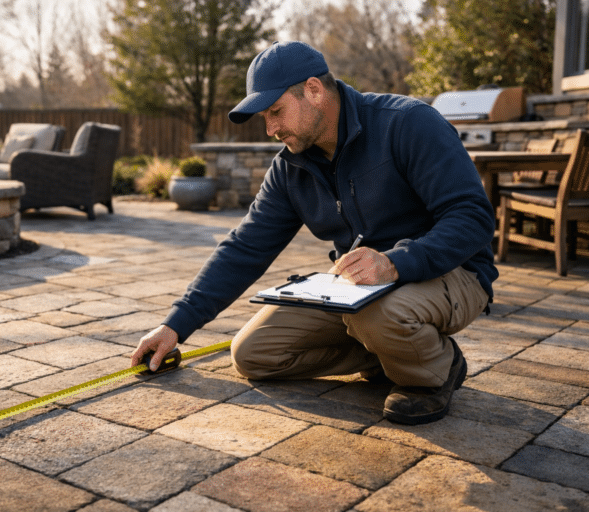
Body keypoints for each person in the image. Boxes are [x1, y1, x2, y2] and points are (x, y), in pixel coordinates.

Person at [131, 41, 498, 425]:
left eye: (276, 111)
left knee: (376, 316)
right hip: (359, 290)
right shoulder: (291, 167)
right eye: (264, 117)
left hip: (453, 272)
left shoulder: (407, 123)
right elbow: (246, 246)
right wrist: (176, 324)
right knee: (253, 354)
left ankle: (435, 369)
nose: (271, 129)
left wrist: (394, 262)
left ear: (314, 90)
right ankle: (393, 351)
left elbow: (472, 217)